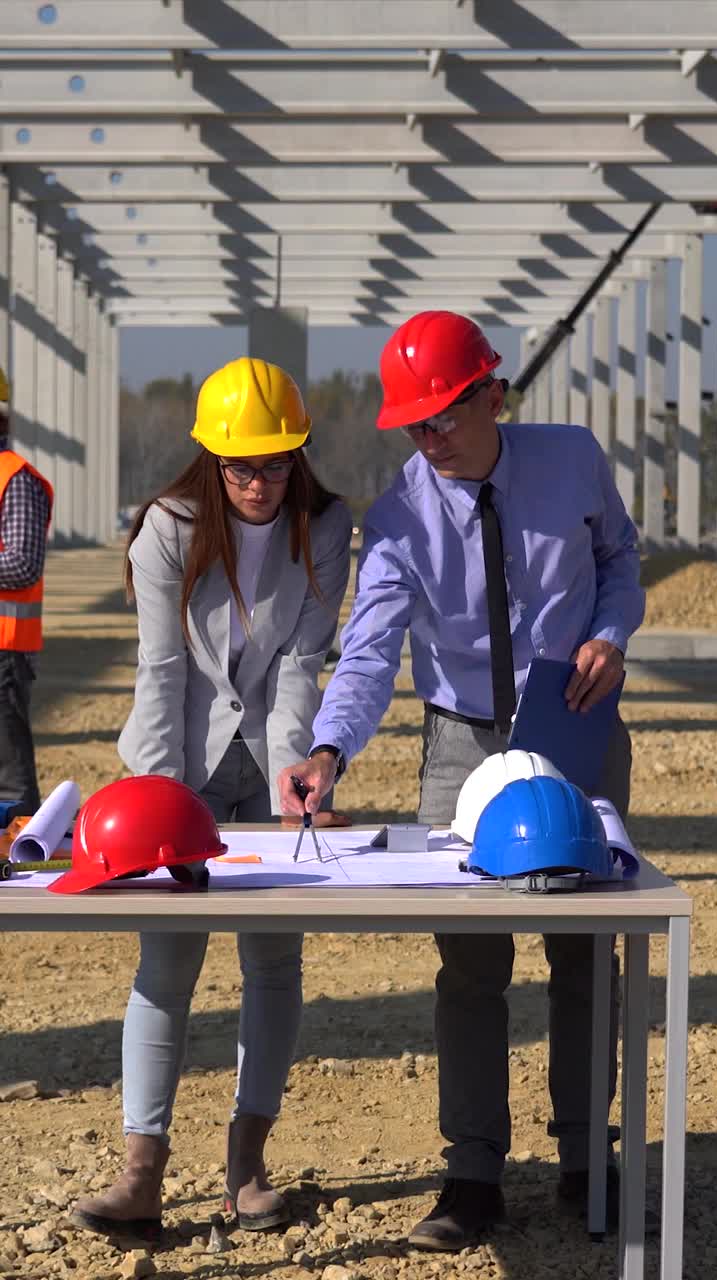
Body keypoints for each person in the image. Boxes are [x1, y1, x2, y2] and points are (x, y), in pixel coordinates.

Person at [278, 311, 645, 1250]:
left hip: (573, 721)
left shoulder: (573, 460)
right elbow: (367, 654)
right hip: (462, 749)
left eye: (442, 416)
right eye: (412, 425)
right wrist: (328, 752)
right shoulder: (398, 515)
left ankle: (581, 1158)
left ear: (494, 395)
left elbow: (619, 562)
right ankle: (473, 1170)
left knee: (585, 948)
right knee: (470, 961)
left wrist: (609, 632)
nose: (427, 439)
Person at [73, 357, 352, 1238]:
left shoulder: (327, 525)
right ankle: (141, 1174)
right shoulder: (168, 527)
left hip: (271, 759)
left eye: (275, 464)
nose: (259, 483)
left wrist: (294, 780)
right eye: (241, 466)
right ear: (212, 459)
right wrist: (159, 793)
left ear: (296, 456)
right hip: (181, 762)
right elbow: (161, 668)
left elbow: (305, 663)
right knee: (166, 965)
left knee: (273, 962)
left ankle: (247, 1168)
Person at [0, 368, 53, 815]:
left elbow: (21, 565)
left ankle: (22, 864)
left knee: (9, 777)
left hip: (4, 652)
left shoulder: (15, 479)